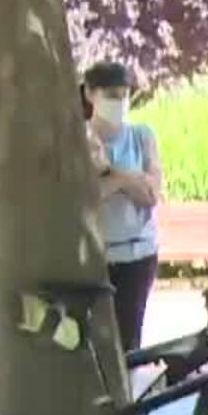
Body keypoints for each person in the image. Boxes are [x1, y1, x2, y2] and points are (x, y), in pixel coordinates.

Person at [82, 60, 163, 356]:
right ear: (91, 94)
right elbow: (88, 196)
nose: (119, 102)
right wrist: (130, 180)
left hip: (138, 256)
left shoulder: (142, 137)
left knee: (128, 346)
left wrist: (112, 173)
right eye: (111, 95)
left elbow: (151, 193)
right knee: (94, 348)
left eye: (124, 95)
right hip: (96, 258)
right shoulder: (80, 139)